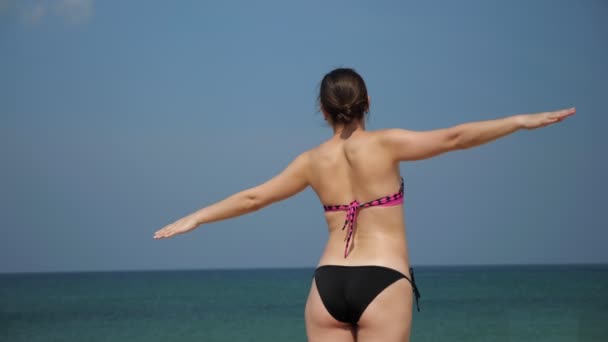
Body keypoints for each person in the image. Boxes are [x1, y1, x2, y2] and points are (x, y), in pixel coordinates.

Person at [153, 67, 575, 342]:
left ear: (323, 110)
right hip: (384, 282)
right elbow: (455, 137)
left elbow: (254, 197)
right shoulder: (387, 144)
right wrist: (520, 121)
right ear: (366, 103)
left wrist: (196, 217)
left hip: (327, 285)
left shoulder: (311, 161)